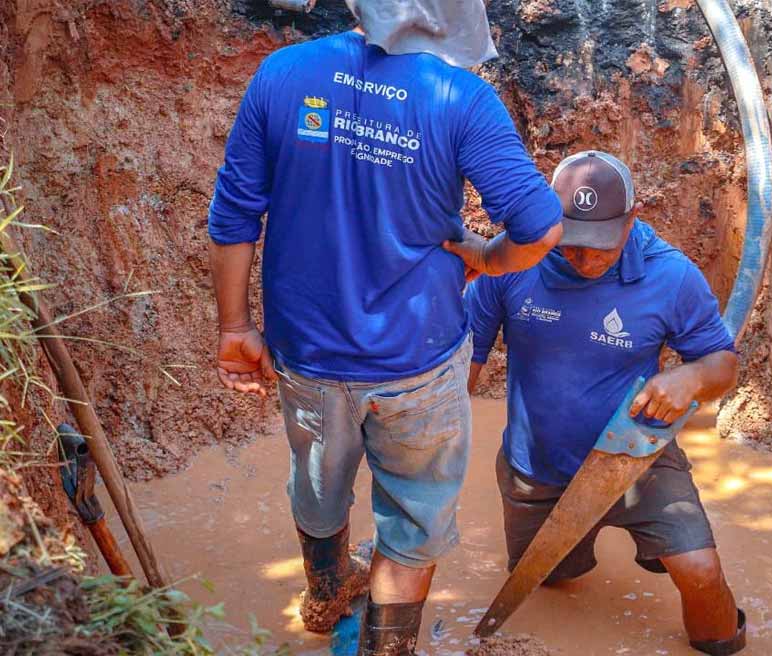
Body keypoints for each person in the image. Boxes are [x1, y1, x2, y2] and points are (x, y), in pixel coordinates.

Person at [206, 0, 563, 652]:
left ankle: (325, 589)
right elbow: (541, 228)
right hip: (417, 360)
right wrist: (486, 259)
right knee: (413, 523)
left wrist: (235, 327)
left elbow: (234, 213)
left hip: (306, 354)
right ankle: (386, 647)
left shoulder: (282, 74)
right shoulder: (462, 99)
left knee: (318, 479)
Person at [466, 151, 747, 655]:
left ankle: (724, 641)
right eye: (573, 247)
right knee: (547, 582)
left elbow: (723, 365)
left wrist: (691, 376)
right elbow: (459, 371)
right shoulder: (510, 265)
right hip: (537, 472)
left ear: (631, 220)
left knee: (701, 574)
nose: (588, 260)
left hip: (636, 458)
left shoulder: (671, 276)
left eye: (602, 246)